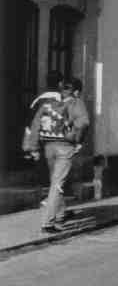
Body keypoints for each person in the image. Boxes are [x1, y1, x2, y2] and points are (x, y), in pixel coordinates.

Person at [25, 79, 90, 233]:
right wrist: (76, 137)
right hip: (64, 147)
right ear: (75, 91)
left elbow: (35, 125)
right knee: (58, 185)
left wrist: (33, 147)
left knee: (55, 180)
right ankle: (48, 223)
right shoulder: (75, 102)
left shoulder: (48, 103)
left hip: (48, 147)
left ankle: (60, 214)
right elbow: (84, 122)